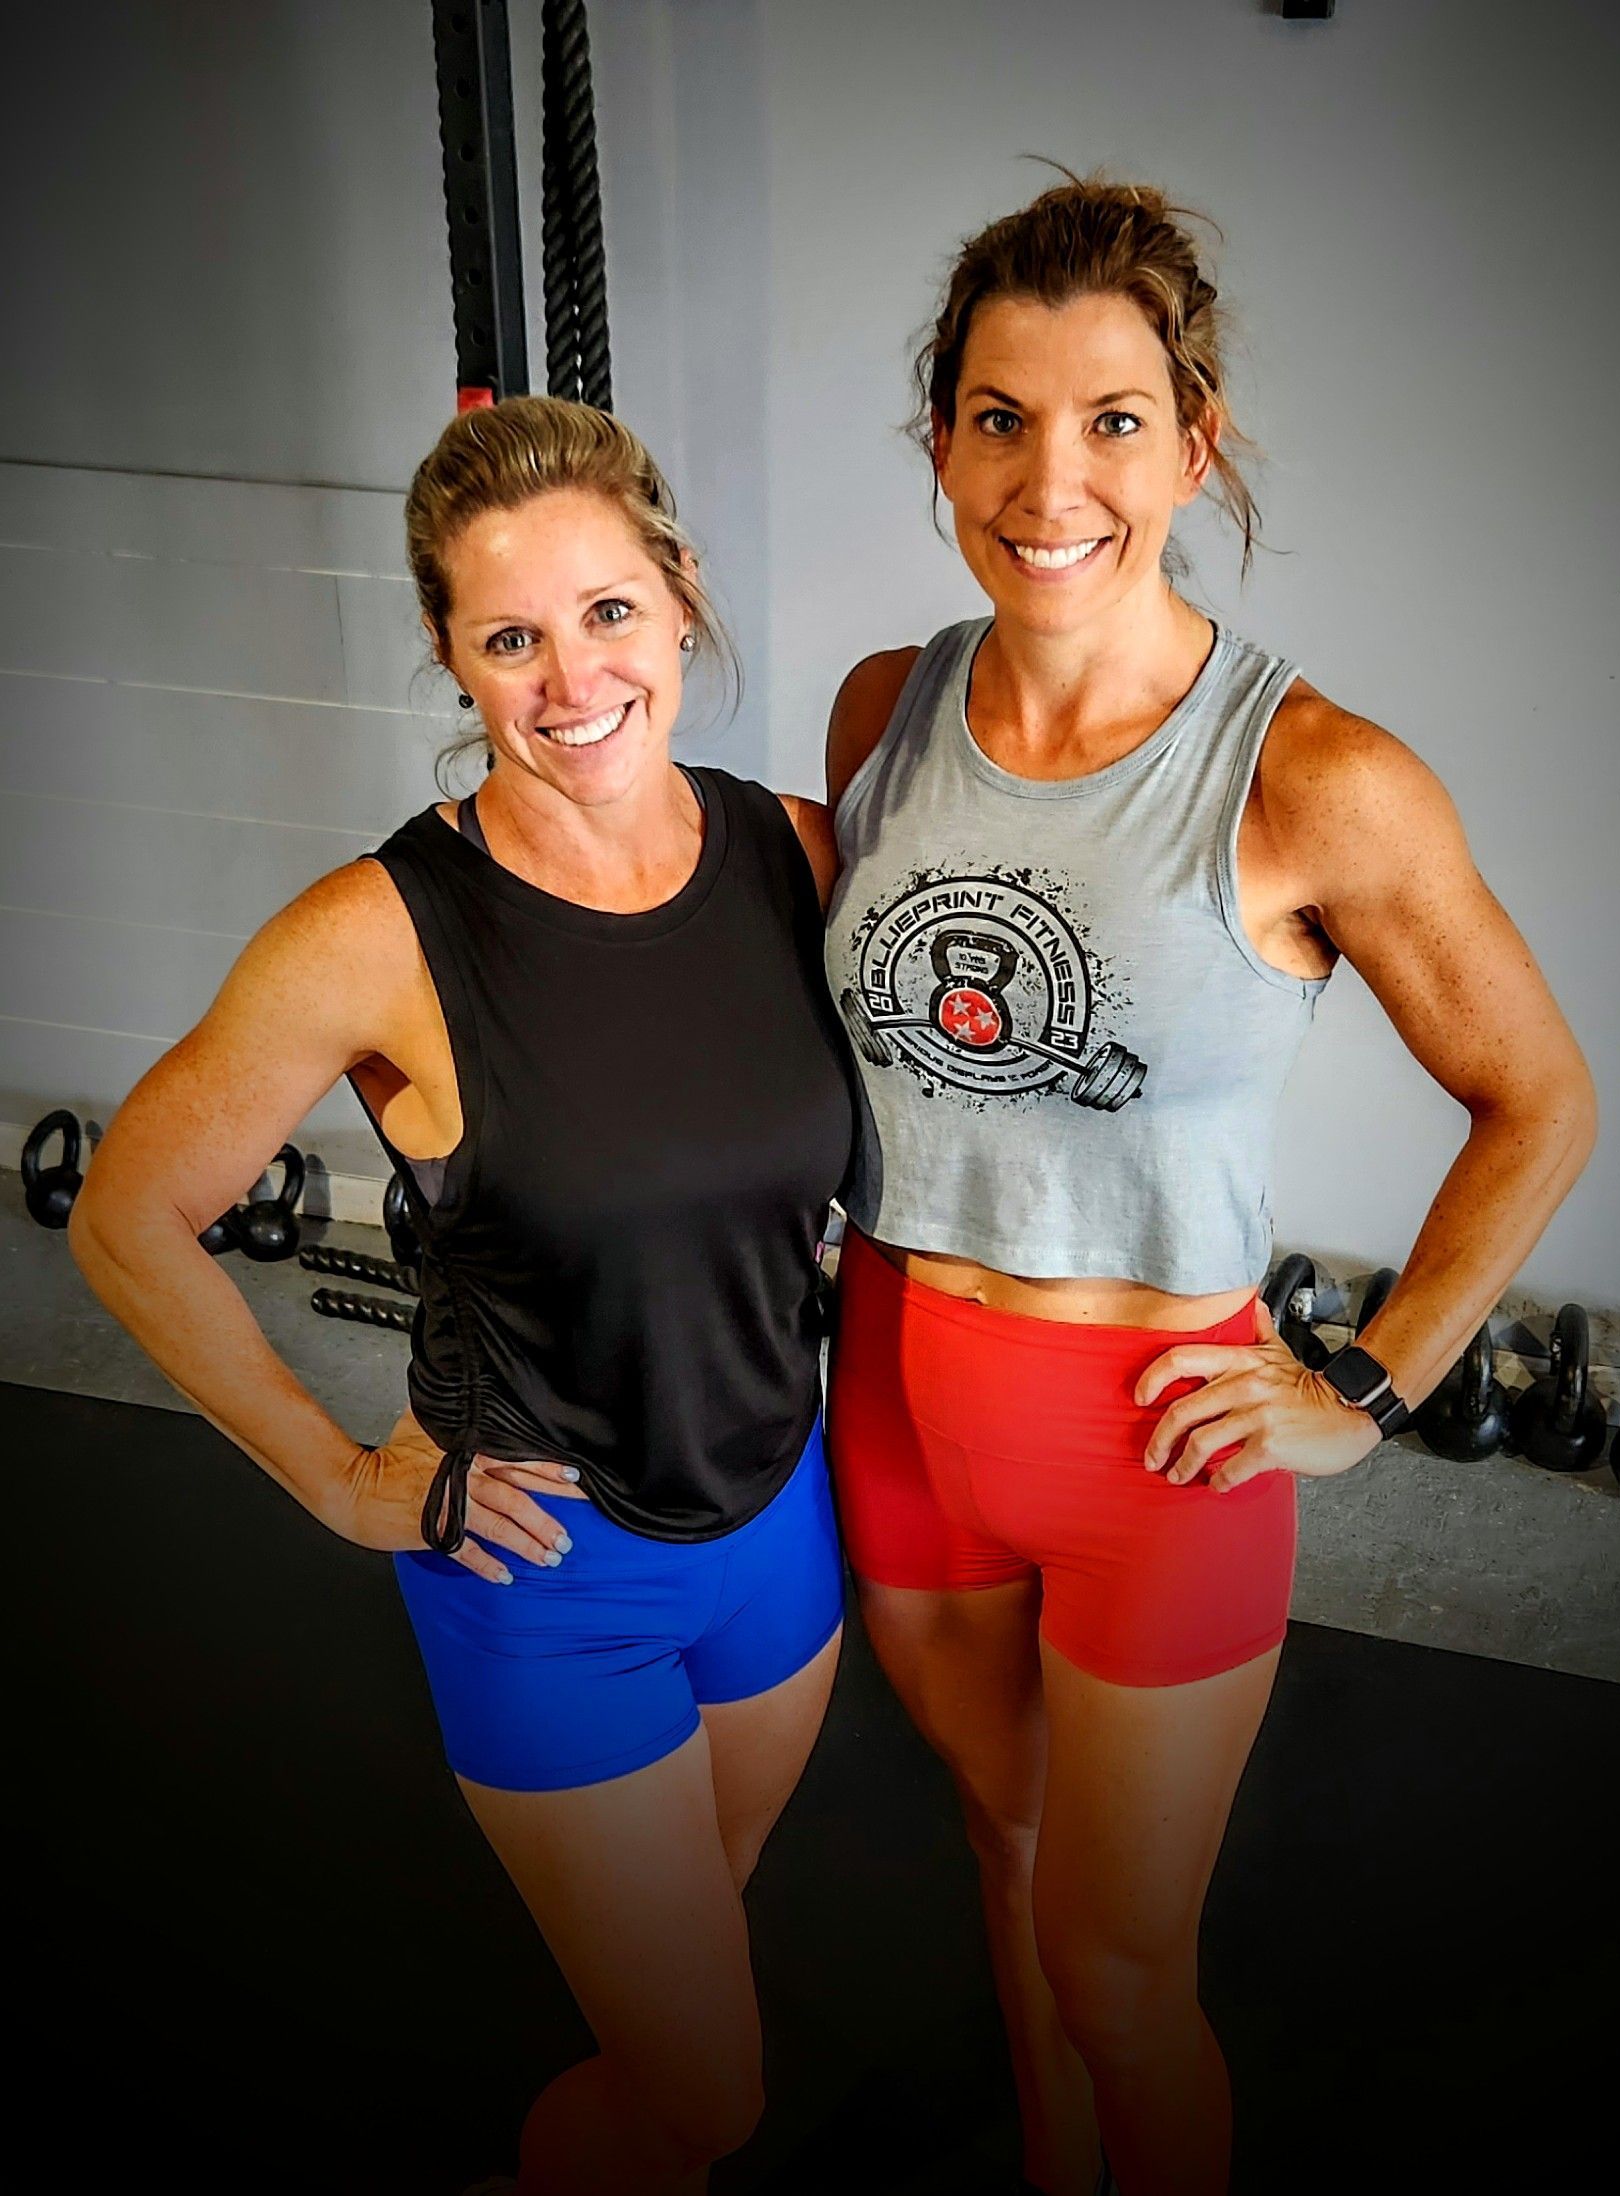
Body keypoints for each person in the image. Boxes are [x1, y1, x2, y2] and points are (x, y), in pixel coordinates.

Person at [822, 177, 1597, 2196]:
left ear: (1193, 440)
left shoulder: (1313, 776)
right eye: (996, 416)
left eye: (1107, 420)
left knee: (1117, 1963)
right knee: (999, 1858)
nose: (1048, 476)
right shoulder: (880, 712)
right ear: (939, 441)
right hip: (894, 1388)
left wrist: (1367, 1382)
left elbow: (1536, 1097)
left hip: (1148, 1435)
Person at [70, 396, 855, 2196]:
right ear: (450, 653)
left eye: (604, 614)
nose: (570, 676)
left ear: (677, 600)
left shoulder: (791, 854)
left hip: (777, 1538)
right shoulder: (378, 931)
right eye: (510, 637)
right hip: (543, 1573)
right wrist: (345, 1480)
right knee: (718, 2091)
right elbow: (127, 1218)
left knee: (689, 1995)